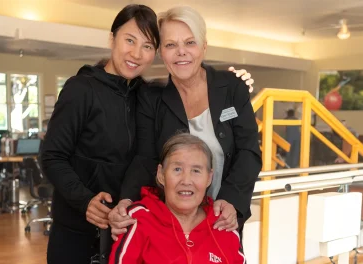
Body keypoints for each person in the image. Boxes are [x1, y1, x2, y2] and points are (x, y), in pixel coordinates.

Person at [41, 4, 254, 264]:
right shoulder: (86, 90)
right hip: (92, 225)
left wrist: (228, 82)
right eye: (129, 40)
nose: (136, 53)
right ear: (112, 38)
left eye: (147, 45)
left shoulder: (146, 92)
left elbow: (247, 150)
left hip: (187, 222)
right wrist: (94, 201)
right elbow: (54, 155)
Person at [110, 6, 262, 243]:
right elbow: (145, 158)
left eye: (190, 43)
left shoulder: (232, 87)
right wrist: (126, 200)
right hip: (170, 224)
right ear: (161, 51)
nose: (181, 52)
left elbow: (249, 151)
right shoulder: (151, 97)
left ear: (203, 46)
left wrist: (231, 201)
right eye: (171, 45)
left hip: (223, 218)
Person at [103, 133, 256, 264]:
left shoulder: (222, 222)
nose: (186, 180)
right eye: (177, 169)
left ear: (209, 178)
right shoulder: (139, 219)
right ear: (161, 175)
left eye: (196, 171)